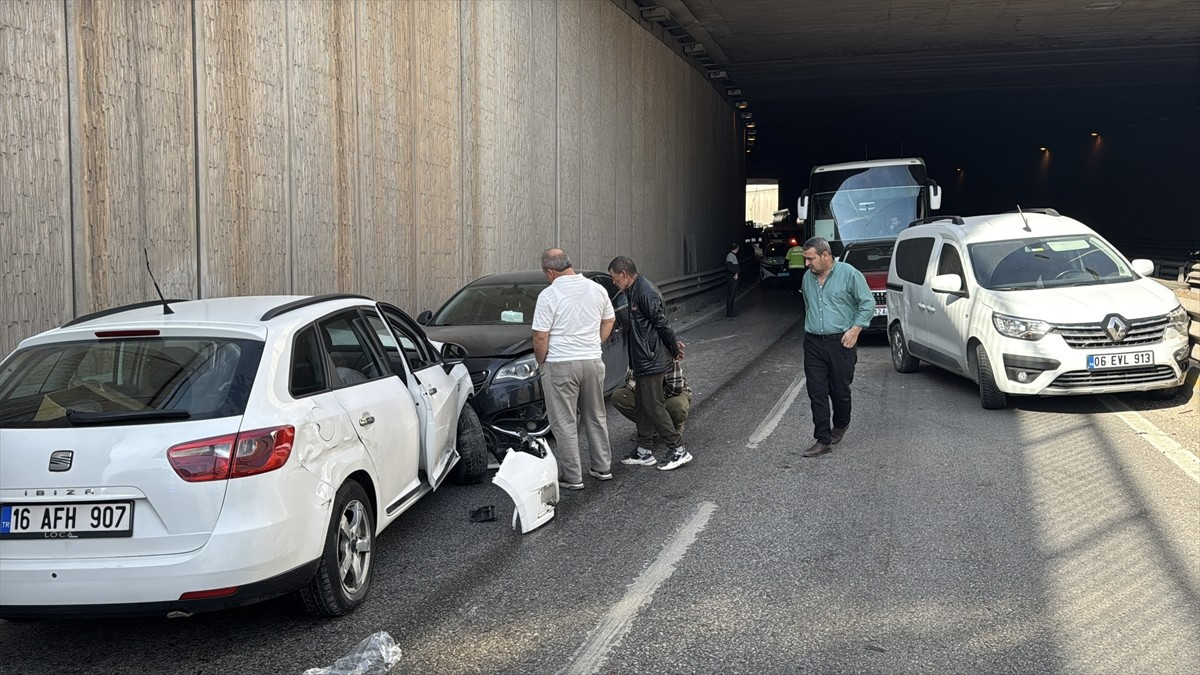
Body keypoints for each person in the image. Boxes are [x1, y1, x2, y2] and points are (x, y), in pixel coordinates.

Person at [531, 249, 616, 490]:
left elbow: (539, 337)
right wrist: (595, 343)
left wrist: (542, 361)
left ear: (549, 271)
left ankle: (572, 476)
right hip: (592, 362)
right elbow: (609, 320)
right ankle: (602, 467)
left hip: (560, 364)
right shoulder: (597, 289)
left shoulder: (549, 295)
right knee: (596, 416)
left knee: (565, 422)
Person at [607, 255, 692, 471]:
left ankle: (678, 450)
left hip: (652, 359)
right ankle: (644, 450)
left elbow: (661, 324)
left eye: (615, 278)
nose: (614, 283)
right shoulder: (633, 291)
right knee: (644, 404)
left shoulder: (645, 292)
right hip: (644, 358)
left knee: (653, 406)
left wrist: (674, 349)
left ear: (624, 274)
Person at [798, 236, 874, 458]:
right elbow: (808, 307)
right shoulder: (807, 278)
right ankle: (823, 439)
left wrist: (855, 330)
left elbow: (867, 303)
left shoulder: (849, 274)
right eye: (805, 259)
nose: (806, 264)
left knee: (839, 391)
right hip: (813, 342)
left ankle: (841, 424)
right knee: (816, 391)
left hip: (841, 342)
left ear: (825, 255)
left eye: (810, 259)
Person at [610, 358, 691, 439]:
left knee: (676, 405)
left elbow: (675, 388)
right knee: (619, 396)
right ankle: (650, 427)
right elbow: (630, 380)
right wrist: (647, 395)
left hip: (670, 394)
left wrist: (655, 398)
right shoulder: (638, 353)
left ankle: (675, 427)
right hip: (648, 393)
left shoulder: (665, 354)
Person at [724, 243, 740, 317]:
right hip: (732, 278)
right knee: (731, 295)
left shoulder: (732, 255)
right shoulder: (730, 256)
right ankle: (729, 311)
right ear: (736, 248)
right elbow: (729, 267)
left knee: (732, 295)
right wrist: (735, 273)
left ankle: (731, 311)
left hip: (733, 277)